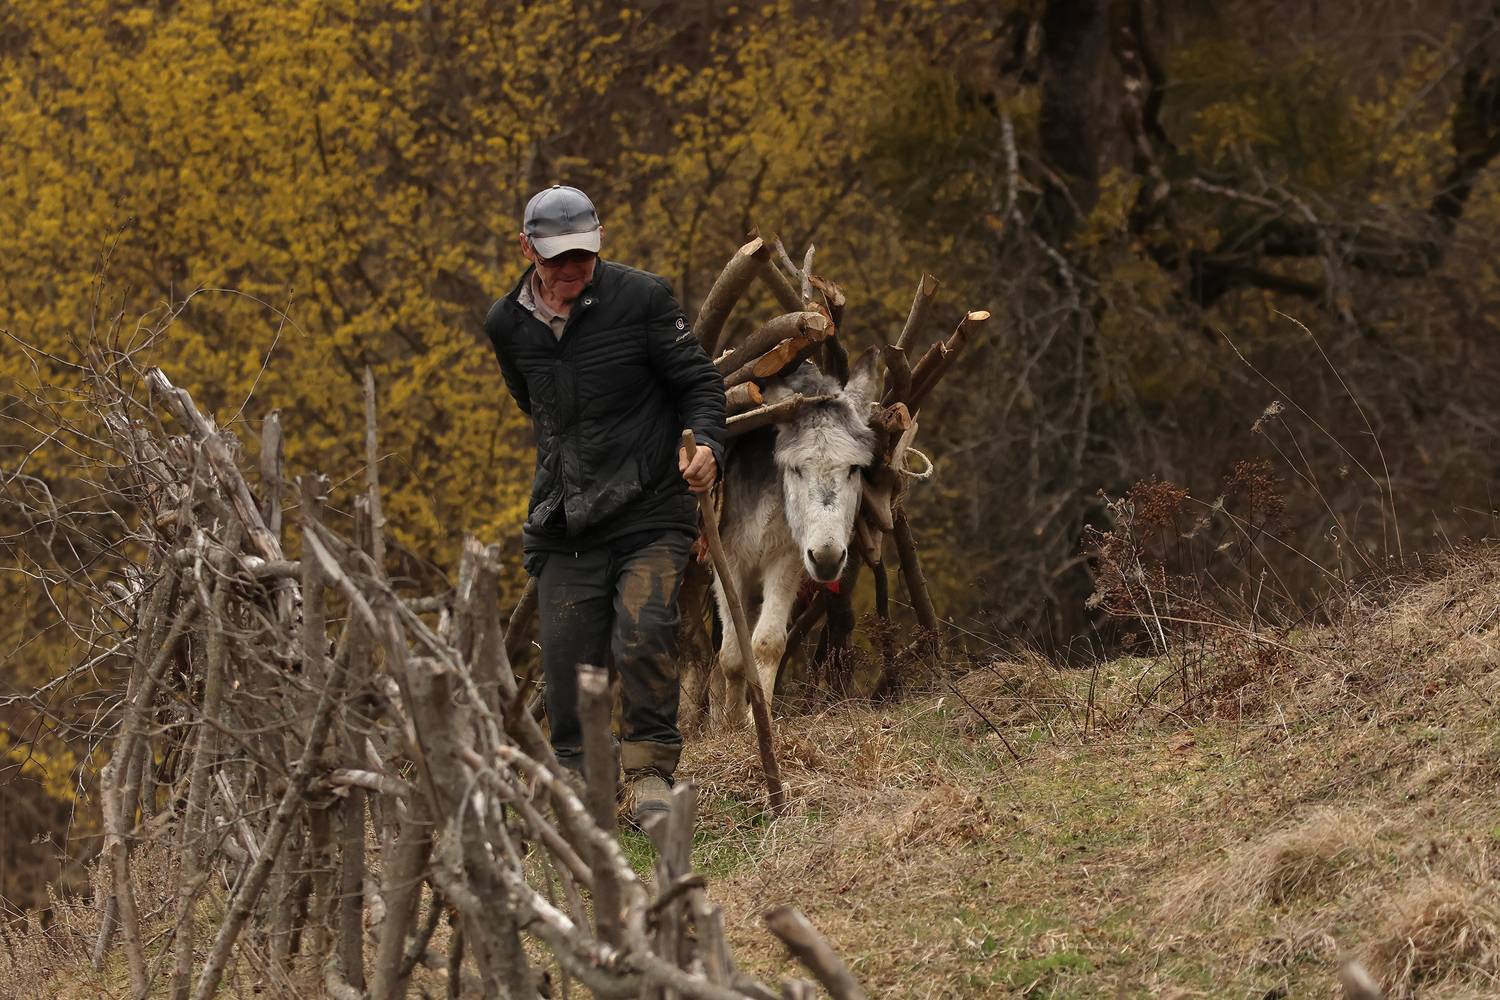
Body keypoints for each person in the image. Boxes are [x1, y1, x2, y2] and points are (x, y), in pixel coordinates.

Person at [483, 184, 725, 823]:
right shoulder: (506, 324)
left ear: (600, 243)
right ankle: (578, 787)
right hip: (565, 518)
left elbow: (700, 385)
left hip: (650, 507)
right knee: (566, 660)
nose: (572, 270)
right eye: (557, 258)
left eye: (583, 255)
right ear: (526, 248)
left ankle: (650, 776)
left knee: (644, 632)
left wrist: (708, 450)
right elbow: (532, 405)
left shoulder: (642, 298)